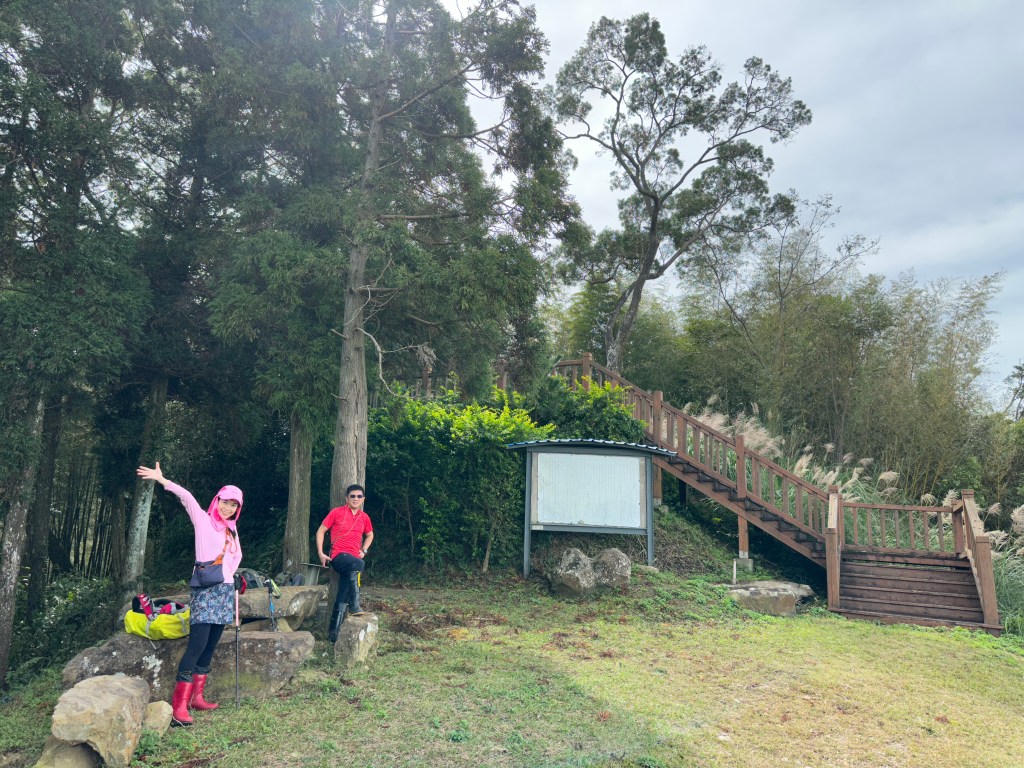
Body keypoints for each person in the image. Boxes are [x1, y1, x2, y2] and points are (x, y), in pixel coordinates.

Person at [137, 462, 244, 727]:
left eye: (233, 505)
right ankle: (179, 707)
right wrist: (163, 480)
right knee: (197, 646)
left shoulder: (231, 528)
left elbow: (237, 554)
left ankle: (197, 698)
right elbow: (186, 497)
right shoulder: (203, 520)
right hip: (205, 592)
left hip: (224, 593)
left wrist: (229, 575)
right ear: (217, 500)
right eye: (225, 502)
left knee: (211, 645)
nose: (228, 508)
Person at [316, 484, 374, 642]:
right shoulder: (337, 512)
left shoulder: (364, 517)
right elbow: (321, 531)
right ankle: (355, 605)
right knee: (359, 565)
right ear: (347, 498)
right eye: (352, 496)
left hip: (353, 559)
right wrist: (321, 553)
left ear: (363, 499)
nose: (356, 499)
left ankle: (333, 634)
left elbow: (370, 535)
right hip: (338, 556)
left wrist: (364, 550)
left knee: (343, 590)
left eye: (359, 496)